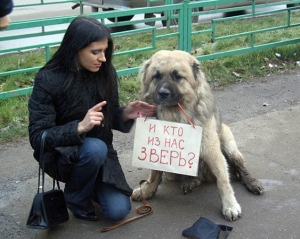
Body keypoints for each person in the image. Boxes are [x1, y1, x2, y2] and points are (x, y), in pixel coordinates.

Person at [28, 15, 155, 222]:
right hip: (62, 156)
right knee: (95, 148)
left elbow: (109, 115)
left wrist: (125, 113)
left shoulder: (105, 73)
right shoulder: (47, 79)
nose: (103, 58)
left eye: (104, 51)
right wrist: (78, 127)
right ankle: (76, 197)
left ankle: (88, 183)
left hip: (101, 154)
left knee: (118, 211)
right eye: (95, 52)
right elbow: (38, 137)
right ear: (75, 48)